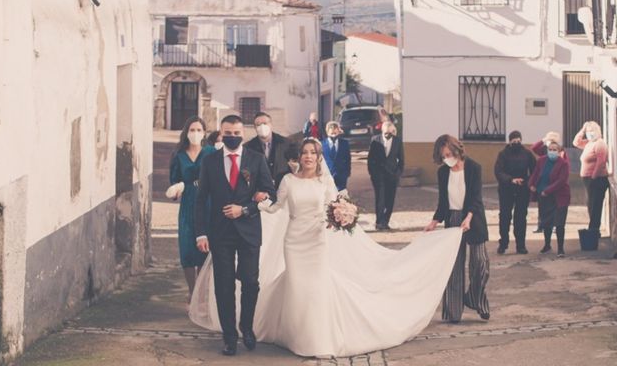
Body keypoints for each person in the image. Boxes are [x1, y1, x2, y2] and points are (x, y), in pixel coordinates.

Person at [190, 138, 463, 357]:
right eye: (305, 152)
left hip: (317, 241)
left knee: (316, 288)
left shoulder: (324, 182)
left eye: (313, 152)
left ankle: (315, 339)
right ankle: (296, 335)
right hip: (294, 241)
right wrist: (258, 202)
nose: (309, 156)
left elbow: (336, 206)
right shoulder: (287, 180)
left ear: (319, 157)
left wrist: (345, 215)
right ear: (299, 156)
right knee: (298, 287)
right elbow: (275, 207)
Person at [194, 115, 276, 356]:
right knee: (224, 285)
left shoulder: (256, 159)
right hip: (220, 233)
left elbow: (271, 194)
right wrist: (201, 233)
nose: (232, 137)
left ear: (243, 133)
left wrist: (247, 209)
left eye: (237, 133)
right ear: (221, 134)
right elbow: (201, 200)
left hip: (249, 231)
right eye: (227, 133)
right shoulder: (209, 161)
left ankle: (246, 327)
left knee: (250, 282)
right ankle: (229, 337)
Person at [424, 134, 490, 323]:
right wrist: (434, 221)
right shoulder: (443, 172)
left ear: (456, 150)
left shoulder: (474, 167)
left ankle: (475, 298)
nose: (447, 159)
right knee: (454, 267)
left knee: (481, 263)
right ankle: (453, 312)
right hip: (452, 218)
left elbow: (475, 198)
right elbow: (443, 202)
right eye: (443, 156)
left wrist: (468, 217)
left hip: (473, 217)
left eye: (448, 154)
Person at [169, 117, 216, 305]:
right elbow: (174, 181)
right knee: (188, 249)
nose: (195, 133)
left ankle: (202, 293)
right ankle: (192, 291)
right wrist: (176, 190)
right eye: (192, 129)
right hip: (188, 202)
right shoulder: (179, 155)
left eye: (199, 130)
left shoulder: (211, 152)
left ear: (204, 133)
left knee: (205, 251)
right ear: (186, 132)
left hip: (209, 201)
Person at [494, 130, 536, 254]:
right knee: (505, 217)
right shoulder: (503, 154)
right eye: (514, 141)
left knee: (521, 218)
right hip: (506, 189)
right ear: (510, 141)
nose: (516, 143)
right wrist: (511, 180)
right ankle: (503, 243)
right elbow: (498, 171)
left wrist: (528, 182)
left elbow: (534, 170)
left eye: (518, 141)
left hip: (523, 189)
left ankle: (521, 245)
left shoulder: (527, 154)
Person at [528, 141, 571, 257]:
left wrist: (547, 190)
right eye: (550, 149)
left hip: (559, 197)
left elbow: (561, 181)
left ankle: (561, 249)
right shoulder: (541, 161)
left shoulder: (563, 164)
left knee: (559, 223)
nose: (552, 152)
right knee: (546, 222)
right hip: (543, 196)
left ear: (559, 151)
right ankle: (547, 245)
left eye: (554, 150)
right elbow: (535, 174)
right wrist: (531, 184)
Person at [367, 121, 405, 230]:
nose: (388, 134)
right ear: (382, 131)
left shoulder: (397, 141)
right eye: (386, 132)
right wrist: (372, 173)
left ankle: (385, 221)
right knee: (380, 199)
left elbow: (401, 160)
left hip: (392, 175)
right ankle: (379, 222)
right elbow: (370, 159)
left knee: (390, 200)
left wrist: (398, 173)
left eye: (391, 132)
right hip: (378, 176)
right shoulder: (375, 140)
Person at [573, 121, 609, 232]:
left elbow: (601, 161)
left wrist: (593, 177)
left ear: (597, 131)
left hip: (597, 179)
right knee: (590, 205)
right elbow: (576, 142)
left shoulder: (599, 143)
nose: (590, 133)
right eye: (588, 131)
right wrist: (583, 130)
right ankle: (593, 229)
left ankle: (593, 230)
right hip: (588, 179)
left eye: (592, 131)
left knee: (595, 206)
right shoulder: (589, 143)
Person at [530, 131, 569, 233]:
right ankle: (541, 225)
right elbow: (534, 148)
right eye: (550, 141)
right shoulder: (544, 150)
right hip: (543, 184)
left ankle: (554, 226)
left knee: (555, 207)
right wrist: (544, 140)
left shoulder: (561, 153)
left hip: (554, 185)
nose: (551, 150)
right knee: (542, 207)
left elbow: (564, 172)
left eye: (553, 141)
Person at [244, 112, 291, 185]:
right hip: (260, 191)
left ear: (271, 125)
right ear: (255, 128)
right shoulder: (248, 147)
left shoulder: (286, 143)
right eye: (258, 125)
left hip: (283, 187)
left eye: (265, 123)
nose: (262, 127)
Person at [321, 121, 351, 190]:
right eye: (331, 133)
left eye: (335, 133)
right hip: (327, 175)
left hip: (341, 175)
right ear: (327, 132)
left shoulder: (344, 143)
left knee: (341, 195)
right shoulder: (322, 144)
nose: (334, 135)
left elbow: (348, 158)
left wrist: (347, 173)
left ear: (338, 132)